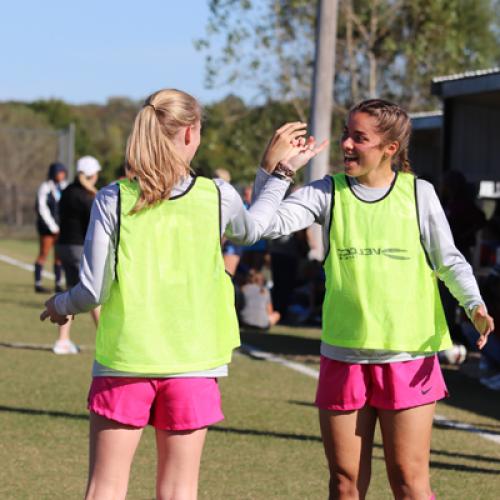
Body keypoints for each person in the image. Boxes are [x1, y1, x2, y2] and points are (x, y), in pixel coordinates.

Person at [40, 89, 324, 499]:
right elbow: (254, 228)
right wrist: (278, 174)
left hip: (124, 361)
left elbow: (92, 291)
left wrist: (60, 305)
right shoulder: (218, 194)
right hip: (193, 362)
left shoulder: (113, 198)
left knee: (105, 487)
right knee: (178, 491)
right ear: (191, 133)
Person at [252, 99, 494, 499]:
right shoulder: (327, 192)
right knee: (344, 483)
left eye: (359, 138)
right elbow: (264, 226)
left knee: (408, 481)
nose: (346, 143)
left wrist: (474, 304)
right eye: (346, 133)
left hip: (408, 357)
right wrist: (275, 171)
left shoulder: (419, 193)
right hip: (344, 357)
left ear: (390, 148)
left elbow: (449, 260)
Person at [52, 156, 102, 355]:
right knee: (92, 295)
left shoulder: (66, 192)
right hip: (78, 247)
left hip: (63, 246)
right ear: (93, 174)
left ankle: (63, 341)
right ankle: (107, 340)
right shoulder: (86, 196)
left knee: (72, 293)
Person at [34, 162, 68, 293]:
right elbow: (42, 208)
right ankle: (38, 283)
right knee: (44, 253)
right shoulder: (45, 187)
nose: (62, 175)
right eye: (59, 172)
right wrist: (53, 226)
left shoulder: (64, 187)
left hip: (60, 227)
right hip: (47, 228)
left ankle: (58, 283)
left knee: (59, 256)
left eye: (63, 172)